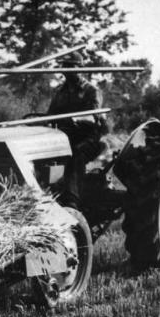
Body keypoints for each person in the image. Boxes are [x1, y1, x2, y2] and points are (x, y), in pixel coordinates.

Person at [48, 52, 107, 209]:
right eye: (64, 66)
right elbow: (50, 115)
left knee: (75, 155)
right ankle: (47, 193)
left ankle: (71, 201)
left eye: (70, 66)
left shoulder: (91, 91)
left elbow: (95, 118)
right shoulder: (60, 91)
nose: (66, 70)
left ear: (80, 68)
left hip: (87, 138)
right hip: (63, 136)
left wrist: (74, 120)